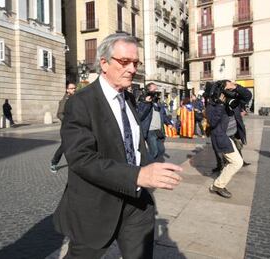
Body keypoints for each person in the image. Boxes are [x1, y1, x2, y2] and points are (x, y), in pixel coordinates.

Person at [53, 33, 183, 259]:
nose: (132, 69)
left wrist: (149, 171)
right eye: (125, 62)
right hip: (95, 207)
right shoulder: (80, 102)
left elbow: (133, 143)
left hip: (136, 205)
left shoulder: (129, 98)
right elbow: (81, 159)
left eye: (136, 63)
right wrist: (137, 176)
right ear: (104, 63)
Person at [205, 80, 252, 198]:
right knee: (237, 162)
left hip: (231, 135)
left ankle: (218, 183)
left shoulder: (232, 99)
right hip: (221, 137)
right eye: (228, 88)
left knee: (234, 161)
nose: (230, 91)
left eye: (230, 88)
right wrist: (220, 104)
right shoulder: (212, 105)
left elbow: (248, 95)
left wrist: (235, 86)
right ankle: (218, 186)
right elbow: (213, 122)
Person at [137, 82, 173, 161]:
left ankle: (155, 165)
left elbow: (163, 114)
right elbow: (140, 116)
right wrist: (146, 102)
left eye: (156, 89)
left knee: (161, 150)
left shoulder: (157, 102)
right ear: (148, 90)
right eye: (154, 89)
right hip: (150, 130)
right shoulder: (142, 100)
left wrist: (168, 123)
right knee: (154, 151)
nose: (156, 91)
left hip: (159, 129)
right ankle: (150, 168)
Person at [50, 81, 77, 173]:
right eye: (72, 88)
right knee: (64, 146)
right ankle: (54, 163)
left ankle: (75, 163)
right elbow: (59, 114)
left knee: (77, 144)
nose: (74, 89)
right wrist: (69, 121)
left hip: (75, 127)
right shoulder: (64, 100)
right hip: (67, 127)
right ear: (67, 90)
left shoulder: (76, 98)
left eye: (74, 88)